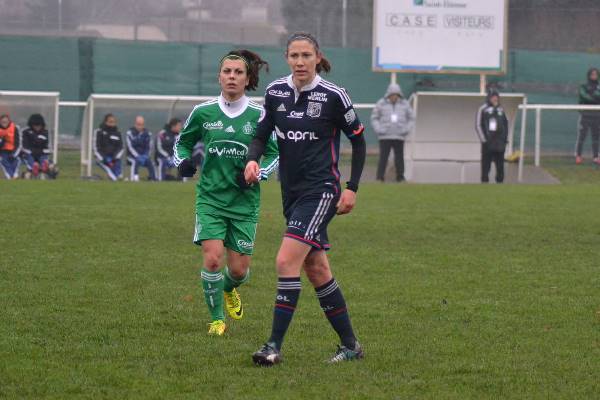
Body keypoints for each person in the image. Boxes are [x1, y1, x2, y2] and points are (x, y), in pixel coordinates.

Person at [244, 31, 367, 365]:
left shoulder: (333, 96)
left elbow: (358, 140)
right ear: (287, 58)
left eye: (306, 56)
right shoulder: (275, 92)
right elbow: (261, 134)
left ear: (317, 58)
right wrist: (253, 159)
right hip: (292, 193)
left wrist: (352, 187)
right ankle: (351, 346)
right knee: (316, 268)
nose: (300, 62)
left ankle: (272, 346)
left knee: (286, 261)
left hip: (322, 190)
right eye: (294, 56)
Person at [174, 49, 278, 336]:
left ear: (247, 78)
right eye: (227, 72)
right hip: (210, 199)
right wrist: (182, 161)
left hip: (244, 202)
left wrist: (260, 171)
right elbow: (183, 143)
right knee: (212, 259)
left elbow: (273, 153)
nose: (232, 77)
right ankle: (217, 319)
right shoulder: (203, 112)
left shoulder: (260, 115)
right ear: (219, 77)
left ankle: (230, 288)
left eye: (238, 72)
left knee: (239, 271)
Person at [371, 83, 414, 182]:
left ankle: (400, 177)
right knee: (383, 157)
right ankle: (379, 178)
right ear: (388, 94)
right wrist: (379, 129)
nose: (394, 96)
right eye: (392, 94)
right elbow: (374, 118)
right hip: (384, 137)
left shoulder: (405, 104)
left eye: (396, 94)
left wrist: (405, 129)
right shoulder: (381, 103)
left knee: (399, 158)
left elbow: (411, 118)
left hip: (399, 136)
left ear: (399, 94)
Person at [475, 89, 509, 183]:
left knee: (500, 166)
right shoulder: (483, 109)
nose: (495, 99)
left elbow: (505, 124)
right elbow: (478, 125)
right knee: (486, 166)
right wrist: (484, 140)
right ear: (489, 98)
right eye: (493, 97)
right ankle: (485, 184)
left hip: (500, 144)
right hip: (488, 143)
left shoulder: (501, 109)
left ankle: (500, 183)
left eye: (496, 97)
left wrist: (505, 139)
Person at [575, 67, 600, 165]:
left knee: (596, 137)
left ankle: (595, 157)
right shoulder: (583, 86)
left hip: (597, 115)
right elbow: (583, 96)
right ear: (589, 75)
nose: (594, 76)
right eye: (592, 74)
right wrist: (593, 98)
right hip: (585, 114)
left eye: (596, 74)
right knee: (582, 136)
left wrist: (592, 97)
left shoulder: (599, 86)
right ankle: (578, 156)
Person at [93, 113, 123, 181]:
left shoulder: (117, 133)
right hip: (102, 159)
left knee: (119, 177)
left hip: (114, 159)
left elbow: (121, 147)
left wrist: (114, 158)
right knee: (114, 178)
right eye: (110, 122)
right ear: (105, 122)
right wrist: (104, 159)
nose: (112, 124)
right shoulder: (98, 132)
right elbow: (96, 148)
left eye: (114, 122)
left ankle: (117, 176)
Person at [21, 113, 51, 179]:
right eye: (35, 125)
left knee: (44, 157)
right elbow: (25, 146)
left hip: (41, 153)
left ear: (42, 125)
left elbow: (47, 147)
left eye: (39, 125)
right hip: (29, 153)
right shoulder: (26, 132)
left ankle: (44, 166)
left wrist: (41, 151)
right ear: (31, 125)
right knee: (29, 157)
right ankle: (34, 167)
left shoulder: (45, 132)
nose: (37, 127)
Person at [126, 116, 156, 181]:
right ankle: (134, 178)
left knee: (151, 163)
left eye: (142, 124)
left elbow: (149, 147)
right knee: (135, 162)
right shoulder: (130, 133)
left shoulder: (148, 134)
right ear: (135, 124)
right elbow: (130, 147)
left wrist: (146, 156)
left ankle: (153, 179)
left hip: (144, 156)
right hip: (132, 156)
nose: (140, 126)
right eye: (138, 124)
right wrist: (137, 156)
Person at [0, 114, 21, 180]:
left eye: (6, 122)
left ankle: (15, 175)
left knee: (16, 160)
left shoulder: (15, 128)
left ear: (9, 121)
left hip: (13, 150)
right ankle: (10, 176)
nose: (4, 123)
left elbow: (19, 143)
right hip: (2, 150)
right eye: (3, 122)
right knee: (3, 160)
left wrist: (14, 153)